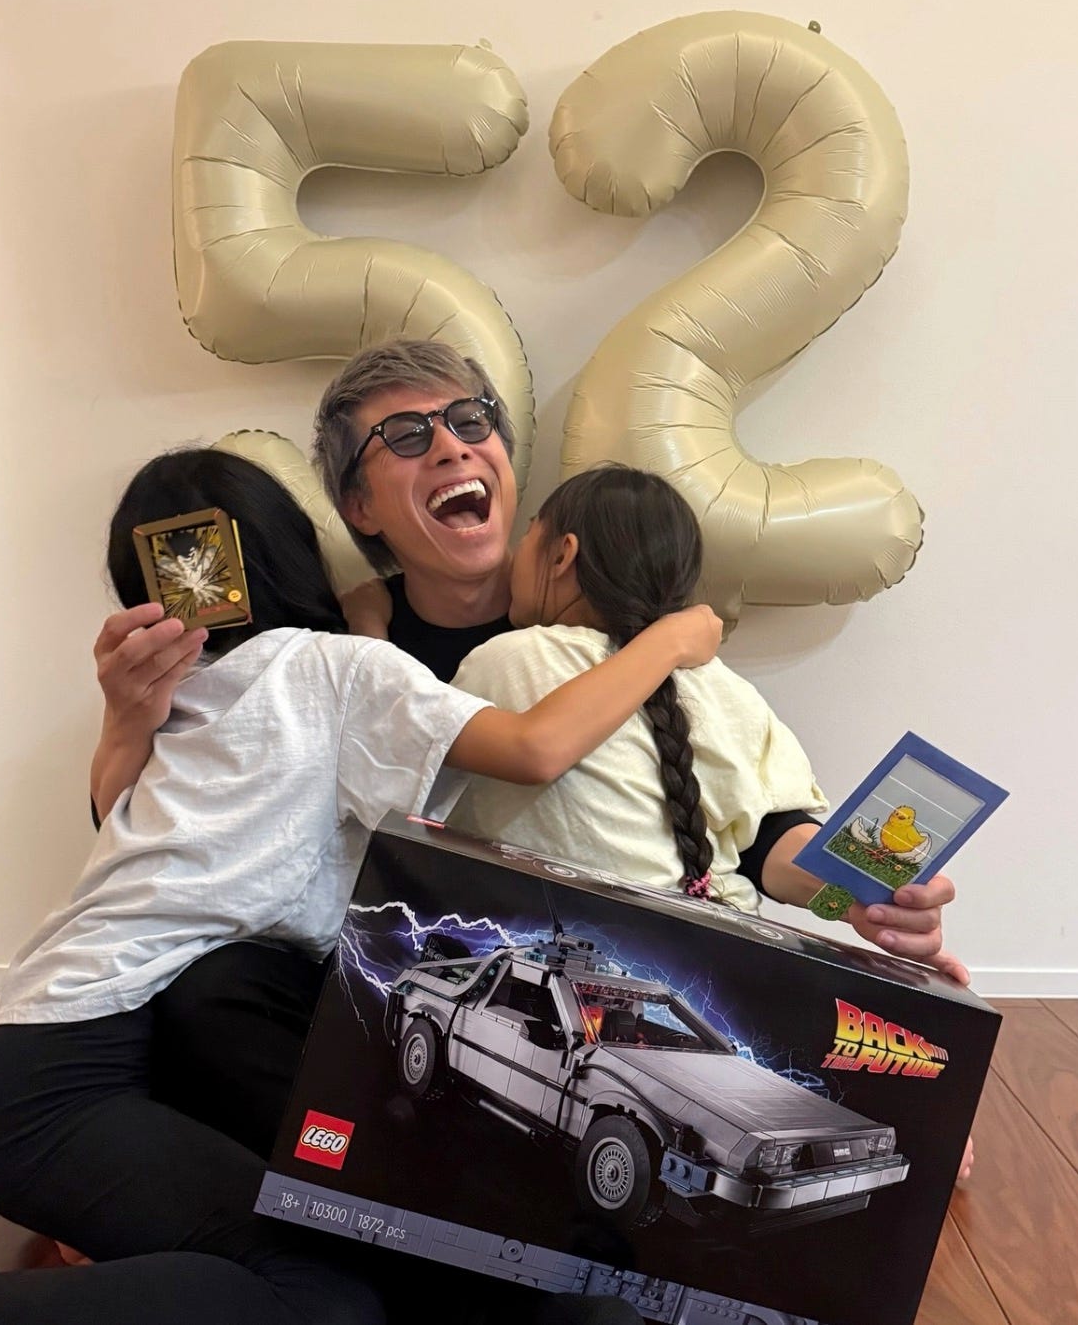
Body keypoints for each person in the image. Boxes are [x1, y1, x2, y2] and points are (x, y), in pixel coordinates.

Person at [88, 342, 963, 1155]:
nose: (451, 446)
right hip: (424, 988)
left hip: (607, 995)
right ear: (360, 507)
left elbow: (760, 832)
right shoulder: (333, 652)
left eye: (470, 420)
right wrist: (128, 722)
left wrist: (861, 894)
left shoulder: (627, 645)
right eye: (407, 436)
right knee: (205, 988)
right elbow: (162, 835)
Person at [0, 449, 720, 1324]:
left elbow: (110, 821)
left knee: (332, 1282)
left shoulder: (192, 692)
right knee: (321, 1296)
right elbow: (535, 748)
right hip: (71, 1076)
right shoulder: (333, 671)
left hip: (41, 1053)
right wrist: (670, 638)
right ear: (293, 548)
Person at [448, 465, 826, 912]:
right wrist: (852, 897)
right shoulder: (726, 687)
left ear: (562, 554)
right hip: (727, 934)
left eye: (528, 535)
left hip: (577, 941)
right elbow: (775, 837)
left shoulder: (512, 658)